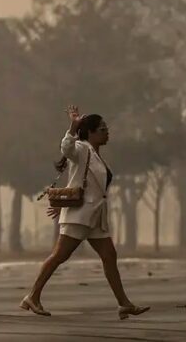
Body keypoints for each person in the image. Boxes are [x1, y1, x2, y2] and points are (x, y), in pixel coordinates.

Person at [21, 105, 150, 320]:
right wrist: (72, 128)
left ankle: (124, 304)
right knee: (59, 256)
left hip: (95, 217)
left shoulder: (96, 155)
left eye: (106, 128)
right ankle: (32, 296)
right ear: (90, 132)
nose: (107, 132)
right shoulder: (81, 149)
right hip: (80, 215)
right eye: (102, 129)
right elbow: (66, 149)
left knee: (110, 256)